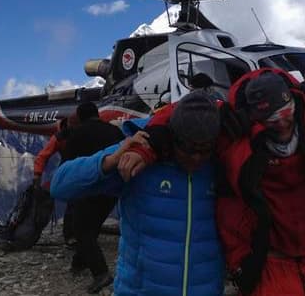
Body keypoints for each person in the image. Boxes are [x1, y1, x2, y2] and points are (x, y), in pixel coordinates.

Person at [50, 92, 226, 296]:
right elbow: (60, 186)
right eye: (188, 148)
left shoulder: (222, 161)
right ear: (173, 137)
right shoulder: (137, 157)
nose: (196, 158)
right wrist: (110, 160)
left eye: (205, 149)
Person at [217, 69, 305, 296]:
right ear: (255, 119)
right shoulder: (238, 146)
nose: (282, 123)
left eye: (285, 111)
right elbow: (184, 115)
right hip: (272, 265)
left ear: (294, 101)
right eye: (271, 118)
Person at [62, 102, 125, 294]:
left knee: (81, 229)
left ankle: (101, 273)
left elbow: (68, 164)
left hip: (89, 187)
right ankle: (80, 262)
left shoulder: (77, 134)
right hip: (112, 189)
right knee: (92, 226)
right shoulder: (115, 131)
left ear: (80, 117)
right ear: (97, 113)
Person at [32, 116, 75, 243]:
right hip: (79, 170)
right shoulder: (61, 137)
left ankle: (71, 235)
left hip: (69, 170)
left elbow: (42, 157)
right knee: (76, 202)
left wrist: (37, 176)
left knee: (74, 202)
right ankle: (72, 234)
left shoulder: (60, 136)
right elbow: (42, 157)